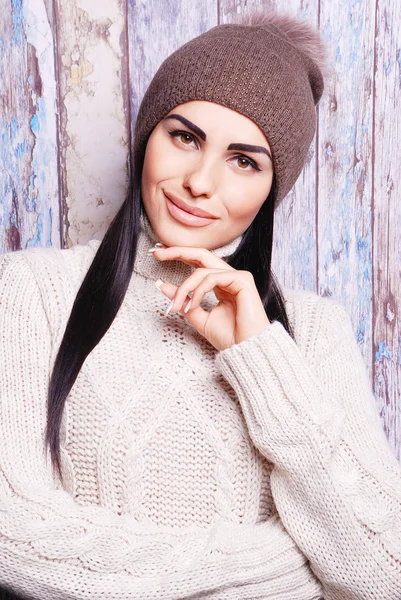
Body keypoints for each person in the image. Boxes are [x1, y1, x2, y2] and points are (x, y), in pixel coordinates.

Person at [0, 8, 400, 600]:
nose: (200, 181)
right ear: (147, 138)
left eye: (244, 160)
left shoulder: (312, 330)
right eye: (184, 137)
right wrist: (289, 565)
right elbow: (15, 538)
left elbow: (384, 567)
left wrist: (260, 355)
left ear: (272, 188)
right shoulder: (34, 291)